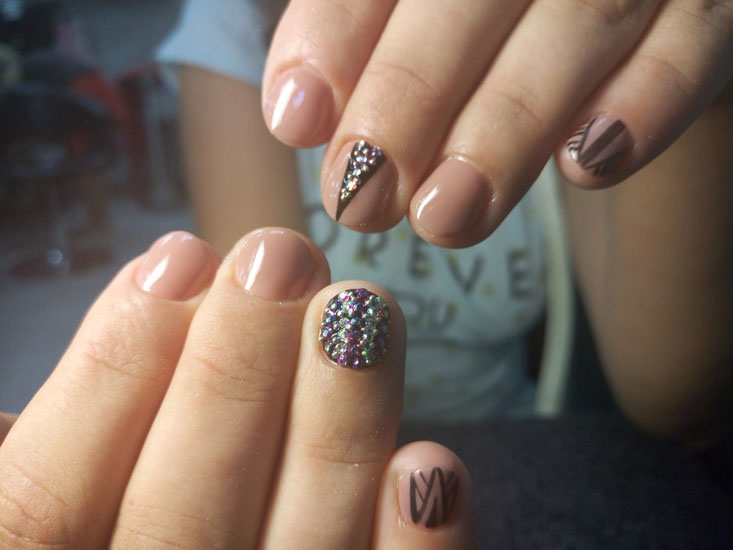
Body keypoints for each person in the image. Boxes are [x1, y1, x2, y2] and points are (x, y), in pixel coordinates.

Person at [0, 1, 730, 547]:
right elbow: (259, 346)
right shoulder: (235, 23)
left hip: (528, 439)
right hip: (303, 466)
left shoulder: (571, 45)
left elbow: (672, 398)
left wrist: (690, 77)